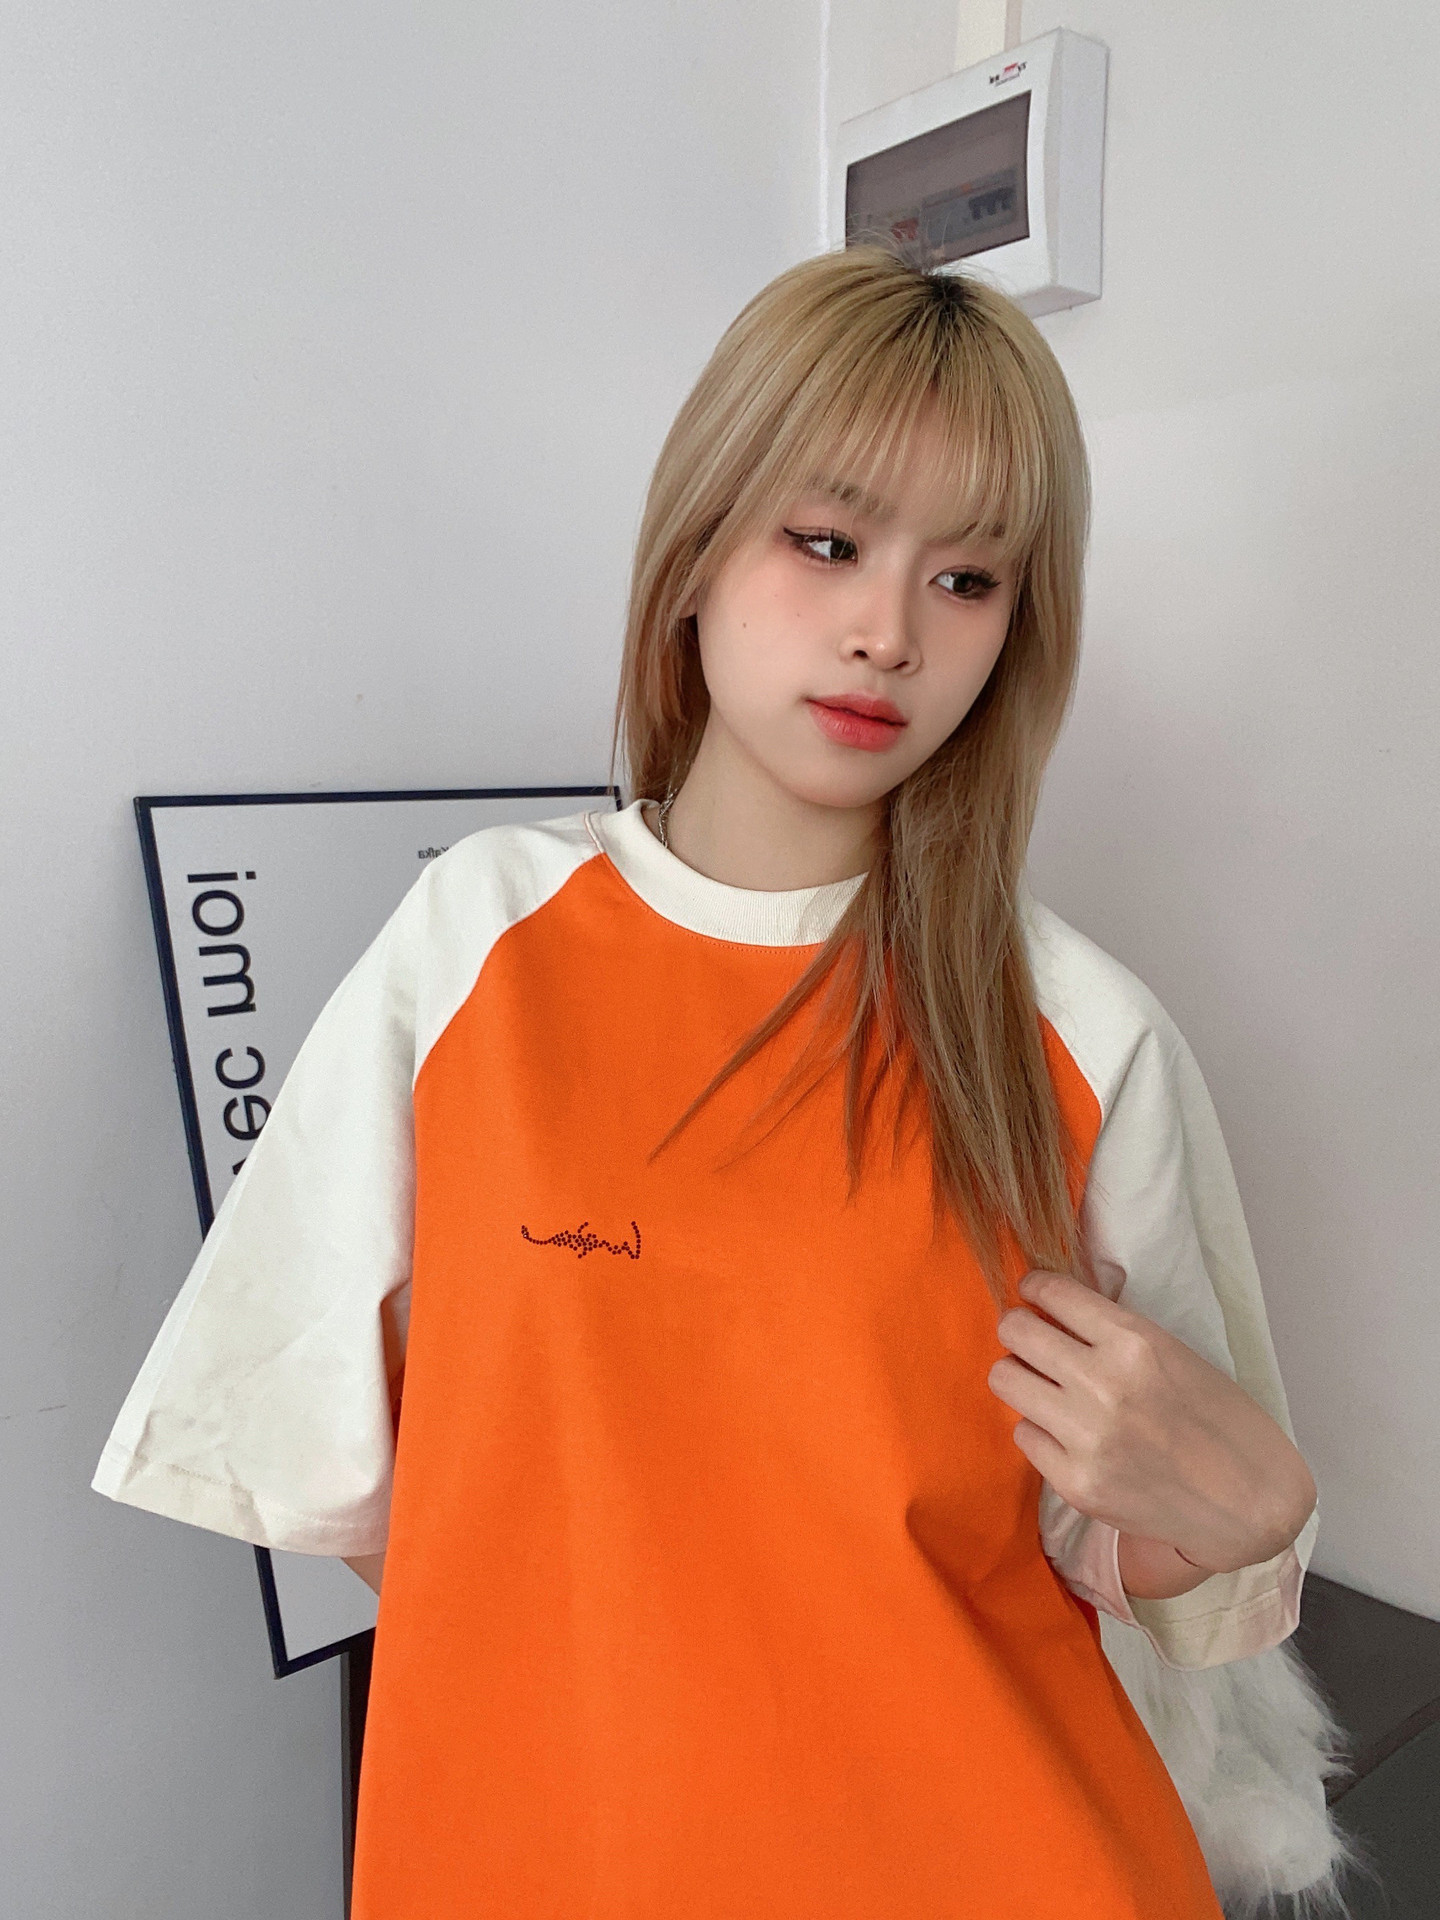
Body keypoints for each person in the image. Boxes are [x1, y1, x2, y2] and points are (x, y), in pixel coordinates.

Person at [94, 246, 1366, 1918]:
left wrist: (1251, 1515)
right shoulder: (476, 940)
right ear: (696, 548)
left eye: (967, 579)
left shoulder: (1080, 1032)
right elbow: (326, 1457)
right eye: (827, 542)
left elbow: (1130, 1558)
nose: (886, 632)